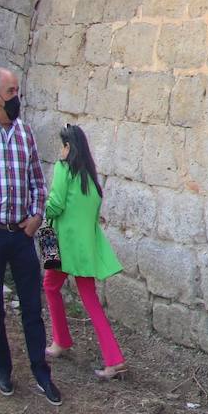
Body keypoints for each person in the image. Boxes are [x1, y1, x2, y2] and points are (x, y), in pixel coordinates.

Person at [0, 67, 63, 405]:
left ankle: (41, 372)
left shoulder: (24, 132)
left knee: (32, 307)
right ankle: (3, 368)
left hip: (22, 234)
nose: (16, 98)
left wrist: (37, 215)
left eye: (17, 90)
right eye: (10, 92)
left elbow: (37, 179)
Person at [43, 123, 127, 379]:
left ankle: (61, 340)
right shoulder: (90, 177)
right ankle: (114, 358)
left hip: (56, 240)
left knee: (49, 286)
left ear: (69, 147)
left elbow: (55, 203)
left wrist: (39, 214)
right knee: (90, 300)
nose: (60, 150)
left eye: (63, 145)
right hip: (84, 248)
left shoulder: (62, 168)